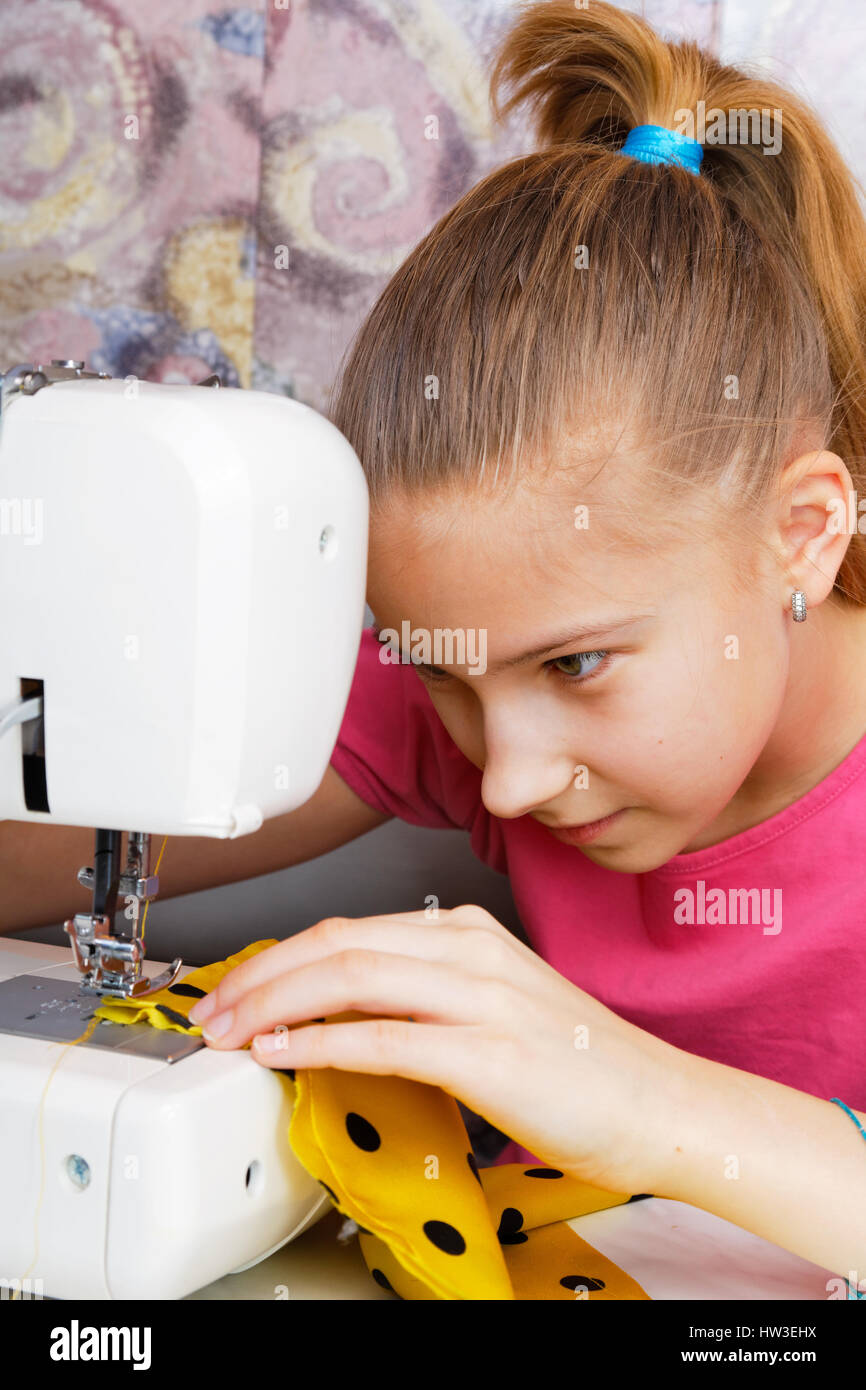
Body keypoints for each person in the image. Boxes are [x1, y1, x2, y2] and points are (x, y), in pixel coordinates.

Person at [4, 1, 866, 1284]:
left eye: (575, 665)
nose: (505, 778)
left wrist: (632, 1092)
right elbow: (57, 839)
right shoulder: (472, 693)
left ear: (801, 535)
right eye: (443, 672)